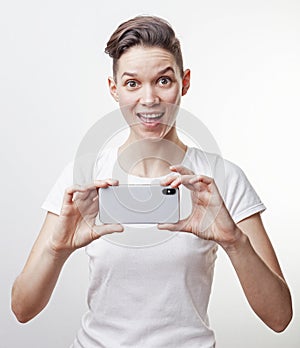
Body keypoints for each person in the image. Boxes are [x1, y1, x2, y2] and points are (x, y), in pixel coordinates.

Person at [11, 15, 292, 347]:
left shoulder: (222, 179)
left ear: (184, 82)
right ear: (114, 89)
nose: (149, 99)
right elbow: (22, 309)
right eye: (132, 83)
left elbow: (279, 317)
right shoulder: (83, 177)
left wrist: (233, 241)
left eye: (163, 81)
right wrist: (56, 250)